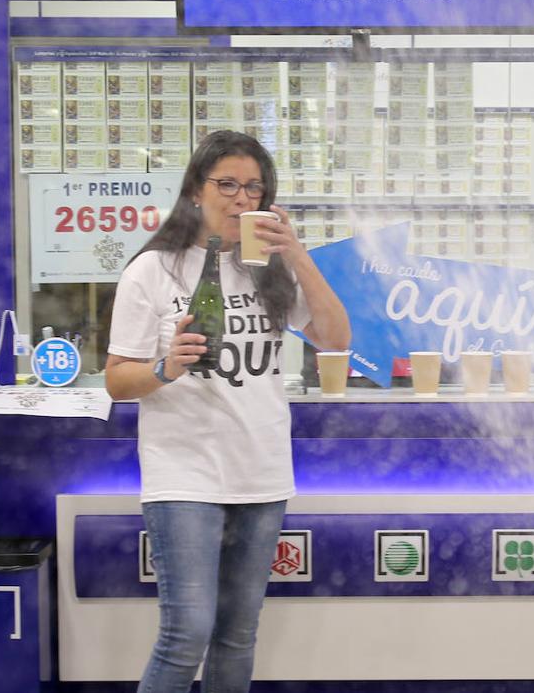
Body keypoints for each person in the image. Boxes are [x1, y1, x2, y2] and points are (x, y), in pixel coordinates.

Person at [105, 129, 350, 693]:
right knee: (187, 632)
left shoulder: (269, 268)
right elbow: (118, 380)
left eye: (255, 188)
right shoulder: (153, 270)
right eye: (228, 185)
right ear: (196, 189)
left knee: (238, 634)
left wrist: (298, 254)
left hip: (259, 471)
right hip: (184, 472)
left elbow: (335, 340)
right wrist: (167, 368)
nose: (242, 199)